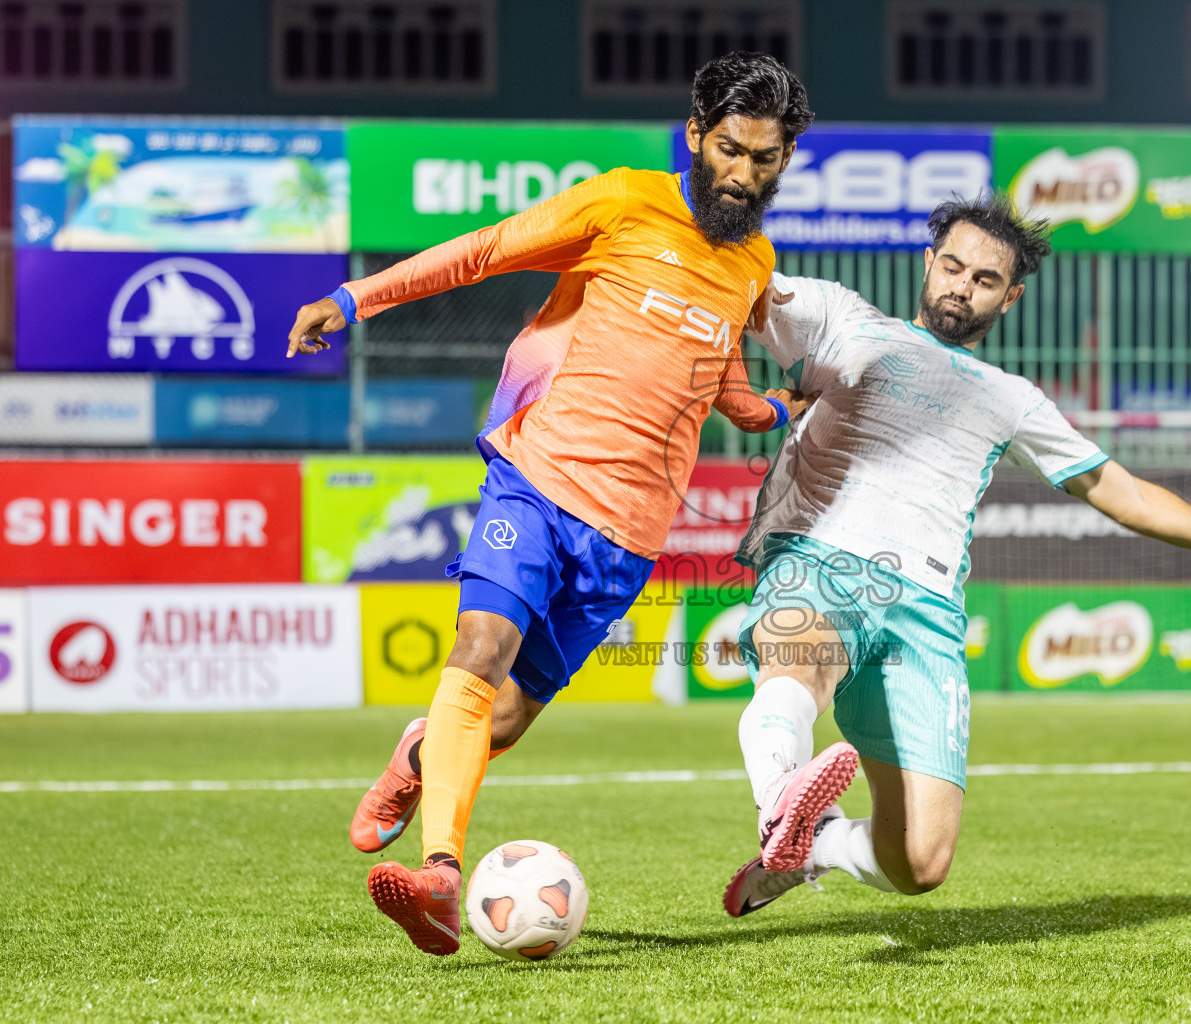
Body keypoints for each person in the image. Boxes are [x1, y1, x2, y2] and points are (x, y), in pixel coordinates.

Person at [285, 52, 814, 956]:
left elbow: (720, 381)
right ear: (694, 135)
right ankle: (441, 876)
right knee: (480, 648)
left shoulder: (752, 263)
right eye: (731, 149)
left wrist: (778, 410)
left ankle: (418, 759)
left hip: (631, 531)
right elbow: (484, 251)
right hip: (537, 478)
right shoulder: (620, 202)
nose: (745, 173)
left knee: (507, 719)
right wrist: (353, 297)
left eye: (766, 159)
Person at [720, 194, 1191, 917]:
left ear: (1010, 298)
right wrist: (730, 385)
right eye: (952, 265)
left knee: (920, 861)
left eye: (983, 279)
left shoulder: (1013, 398)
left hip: (926, 612)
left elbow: (1123, 492)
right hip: (818, 559)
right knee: (801, 667)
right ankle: (784, 809)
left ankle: (809, 845)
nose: (961, 285)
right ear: (928, 262)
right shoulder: (839, 319)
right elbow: (725, 289)